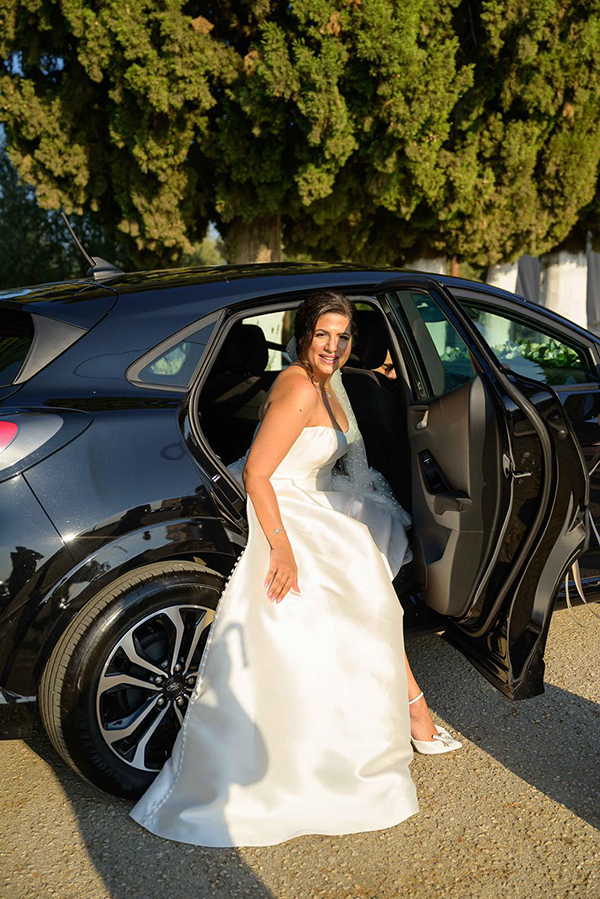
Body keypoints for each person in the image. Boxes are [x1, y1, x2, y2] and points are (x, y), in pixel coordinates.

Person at [129, 290, 460, 848]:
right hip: (279, 505)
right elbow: (259, 473)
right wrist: (281, 549)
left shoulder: (329, 382)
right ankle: (411, 712)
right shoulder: (300, 387)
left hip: (307, 494)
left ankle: (409, 709)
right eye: (323, 335)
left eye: (343, 336)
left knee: (370, 555)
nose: (333, 346)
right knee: (363, 572)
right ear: (303, 335)